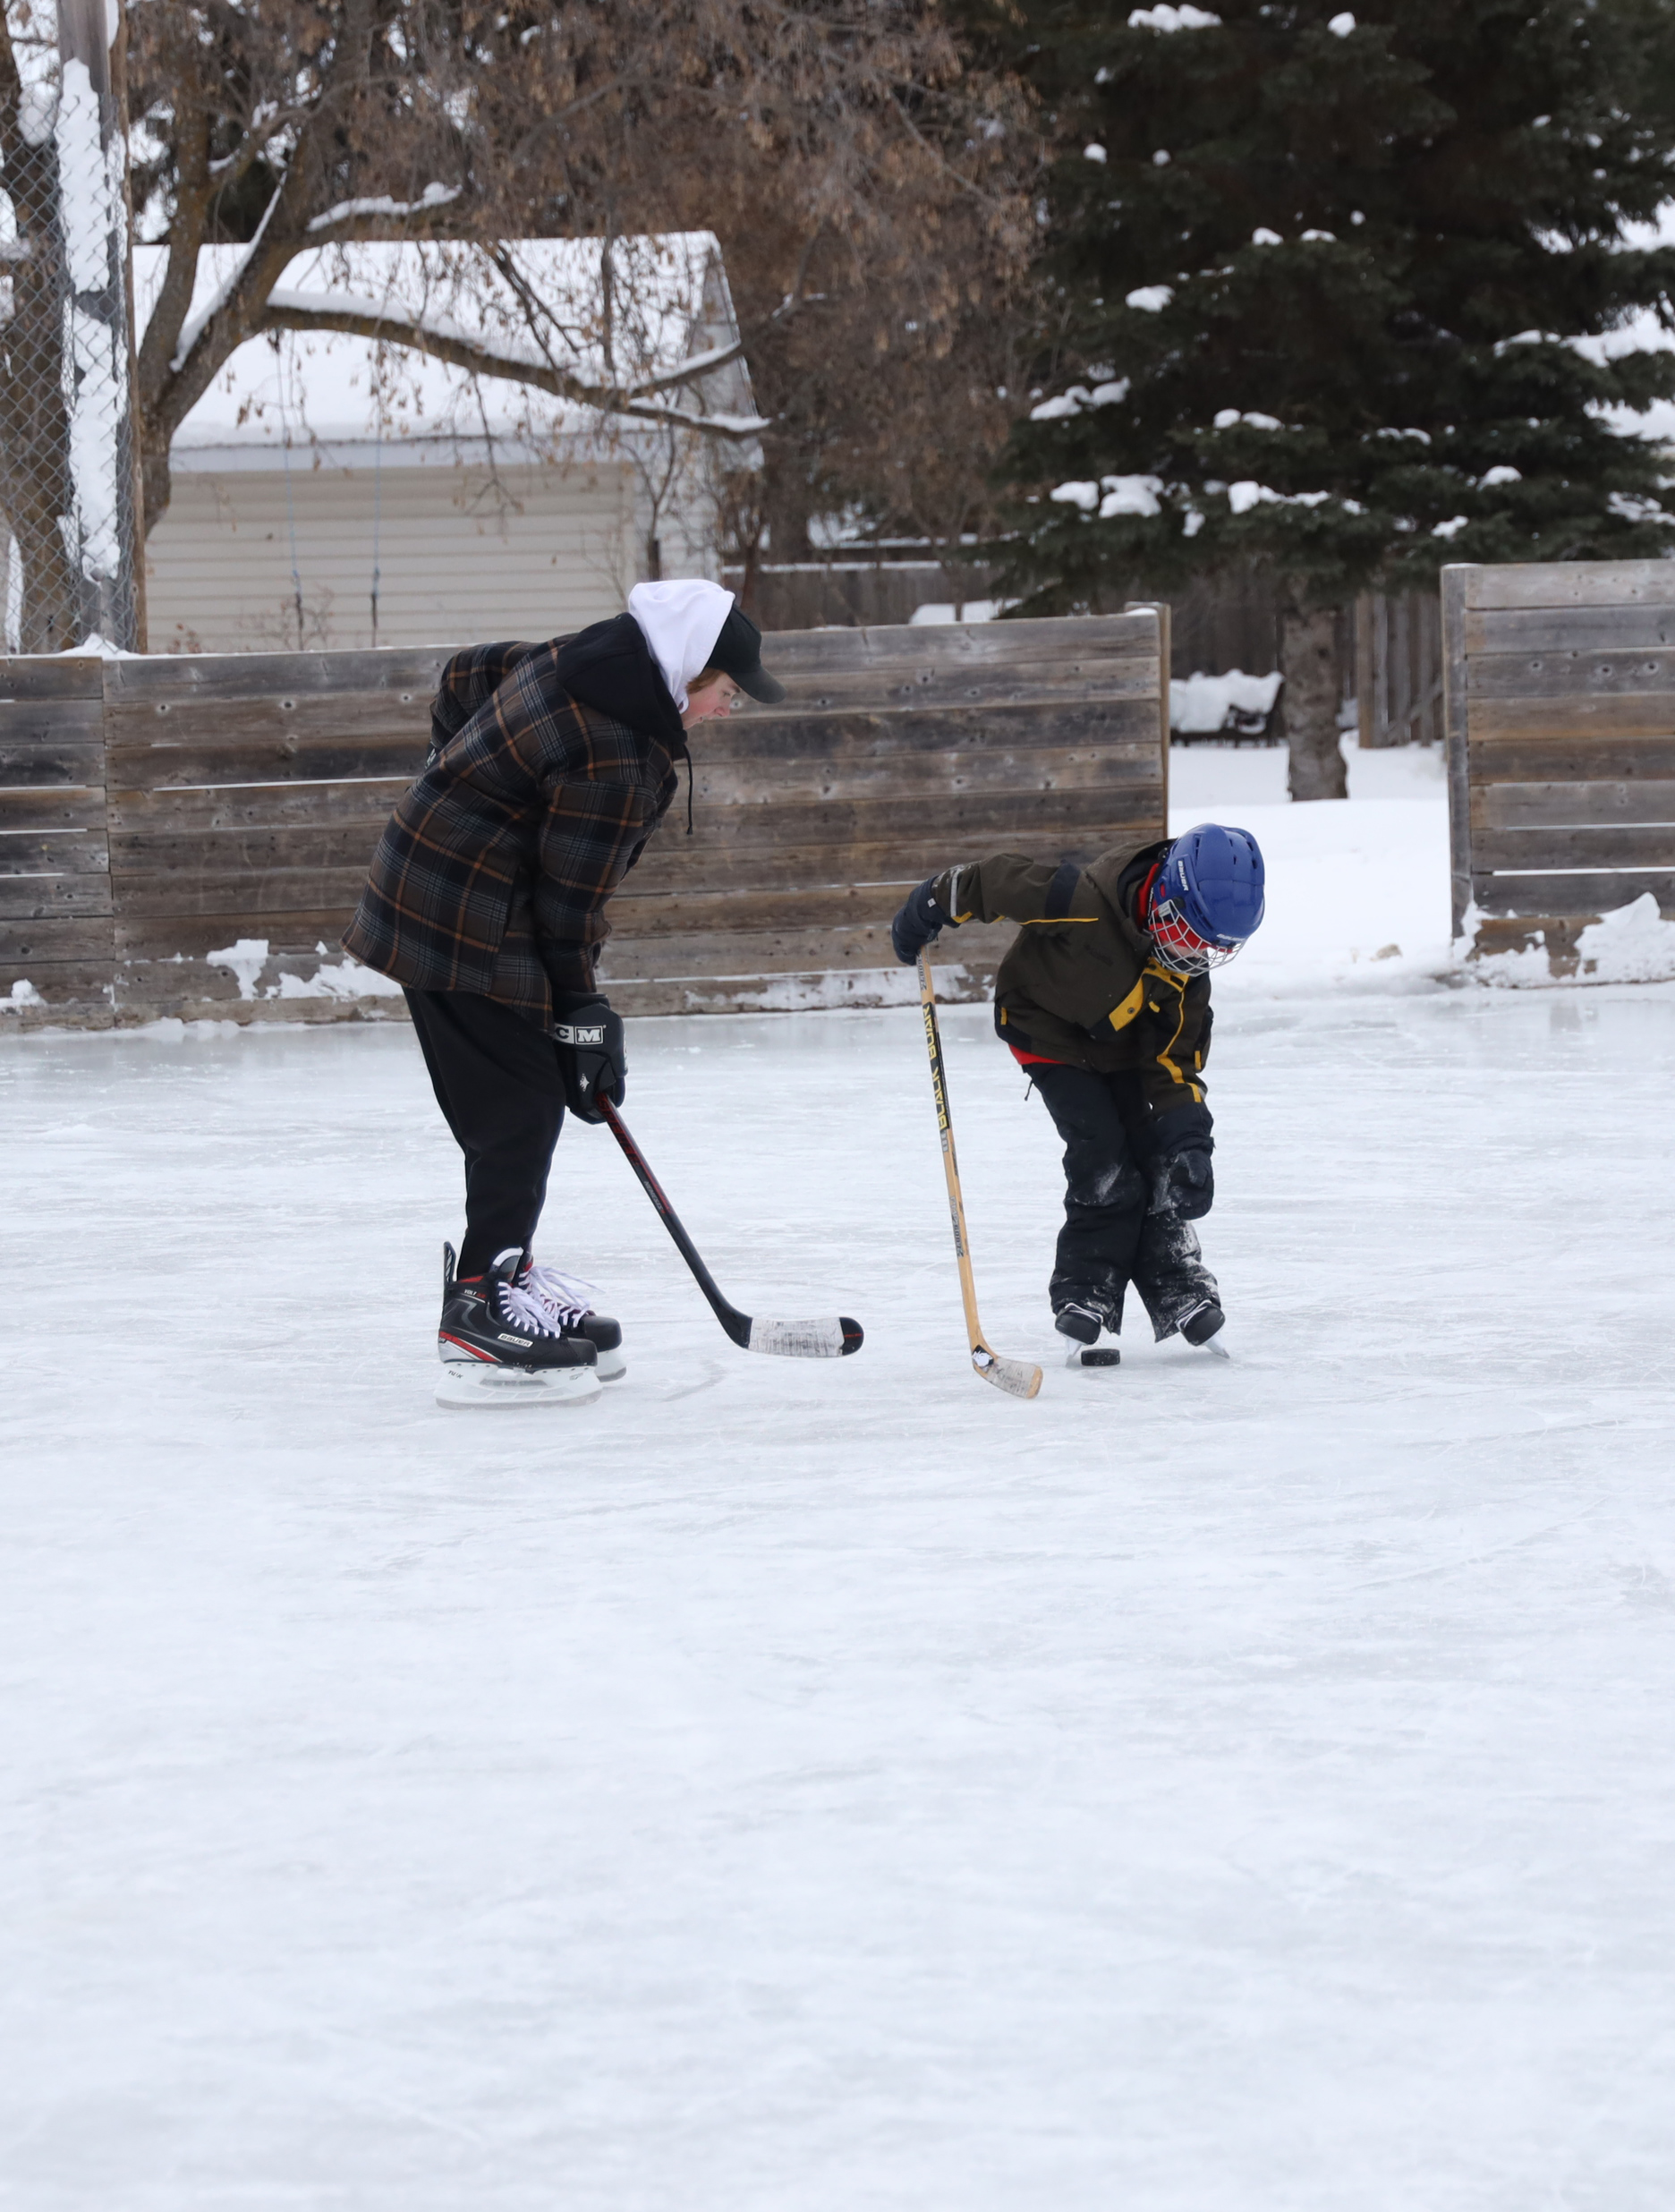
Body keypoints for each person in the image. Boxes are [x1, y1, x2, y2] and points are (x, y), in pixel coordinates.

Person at [342, 579, 786, 1405]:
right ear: (690, 674)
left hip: (445, 888)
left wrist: (458, 785)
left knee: (524, 1093)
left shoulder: (592, 657)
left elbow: (463, 675)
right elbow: (568, 904)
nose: (730, 710)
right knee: (518, 1108)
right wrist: (583, 1016)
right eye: (727, 693)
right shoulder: (620, 748)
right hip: (460, 915)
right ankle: (479, 1303)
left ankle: (507, 1274)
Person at [889, 823, 1265, 1365]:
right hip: (1048, 1035)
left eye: (1215, 948)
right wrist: (928, 906)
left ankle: (1176, 1282)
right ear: (1164, 897)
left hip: (1122, 1049)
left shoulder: (1187, 972)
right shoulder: (1082, 901)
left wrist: (1192, 1146)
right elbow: (991, 882)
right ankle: (1085, 1290)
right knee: (1103, 1156)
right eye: (1192, 935)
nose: (1197, 955)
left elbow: (1174, 1064)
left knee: (1156, 1157)